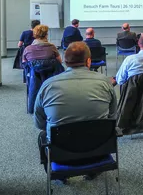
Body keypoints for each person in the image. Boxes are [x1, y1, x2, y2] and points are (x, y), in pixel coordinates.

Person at [34, 42, 117, 181]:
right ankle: (93, 171)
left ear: (65, 61)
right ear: (89, 61)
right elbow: (113, 117)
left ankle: (60, 175)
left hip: (61, 153)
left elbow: (39, 122)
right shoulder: (105, 82)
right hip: (98, 150)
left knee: (42, 136)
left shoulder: (48, 85)